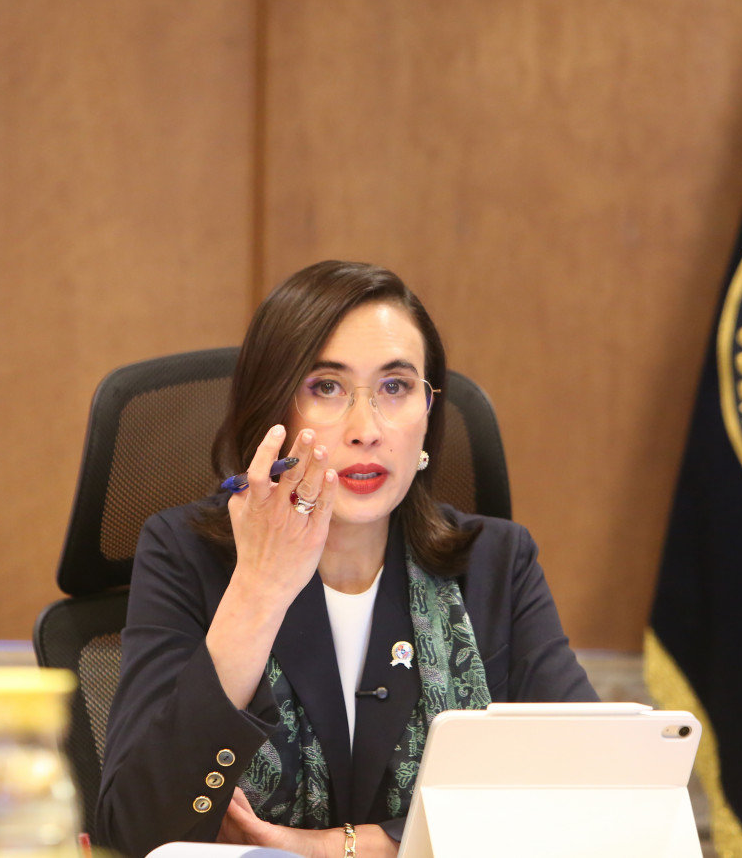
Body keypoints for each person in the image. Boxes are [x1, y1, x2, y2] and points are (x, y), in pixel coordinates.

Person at [96, 261, 596, 858]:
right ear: (272, 410)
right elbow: (133, 835)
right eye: (326, 387)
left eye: (396, 387)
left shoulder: (497, 563)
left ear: (429, 414)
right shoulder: (185, 555)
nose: (366, 429)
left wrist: (342, 847)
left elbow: (596, 792)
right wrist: (258, 589)